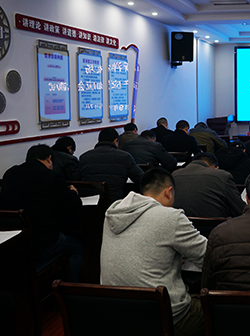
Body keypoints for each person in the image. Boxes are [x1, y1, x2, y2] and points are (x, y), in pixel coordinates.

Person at [101, 168, 207, 336]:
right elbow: (207, 257)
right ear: (169, 192)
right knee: (217, 311)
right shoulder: (171, 216)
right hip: (163, 316)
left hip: (117, 314)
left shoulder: (113, 214)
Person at [0, 144, 84, 281]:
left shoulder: (10, 173)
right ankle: (69, 287)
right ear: (49, 158)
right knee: (78, 247)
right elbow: (73, 207)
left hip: (14, 242)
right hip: (43, 242)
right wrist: (73, 193)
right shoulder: (51, 177)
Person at [79, 128, 144, 202]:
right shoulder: (124, 157)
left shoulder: (84, 157)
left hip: (90, 203)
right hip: (115, 202)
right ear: (115, 141)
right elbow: (141, 178)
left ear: (98, 141)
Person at [173, 153, 246, 218]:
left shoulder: (174, 175)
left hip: (179, 225)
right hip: (216, 226)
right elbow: (240, 210)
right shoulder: (222, 176)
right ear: (216, 168)